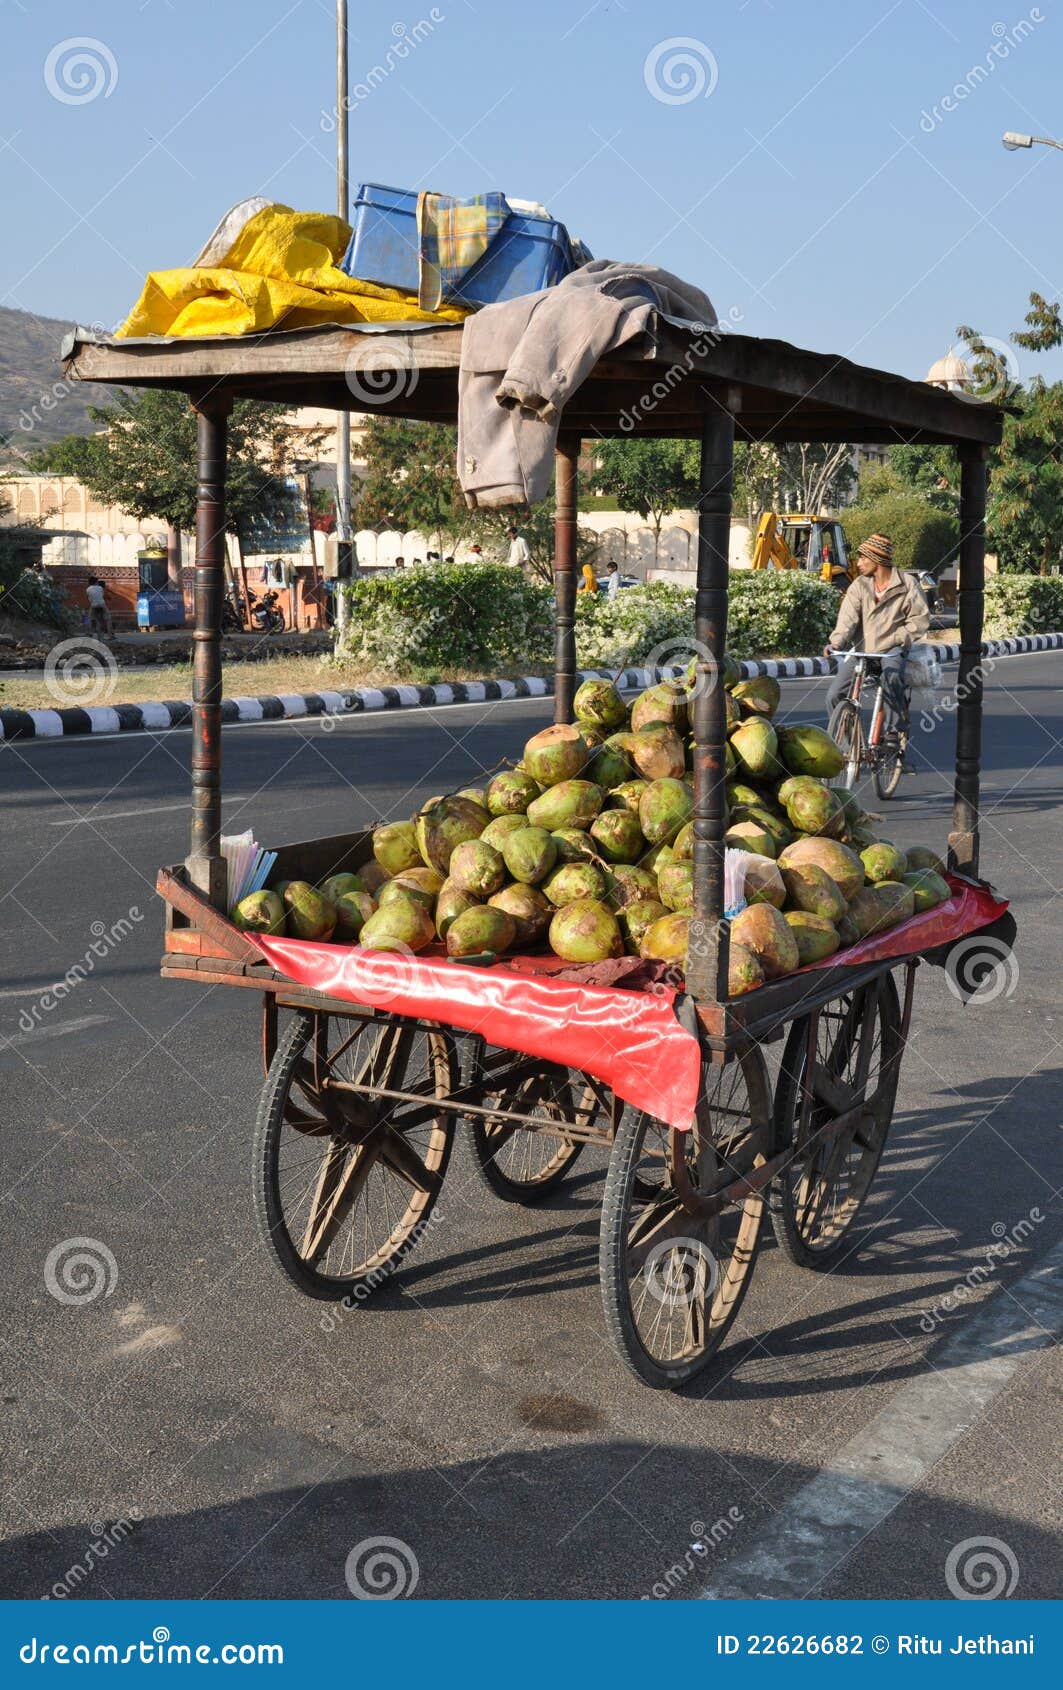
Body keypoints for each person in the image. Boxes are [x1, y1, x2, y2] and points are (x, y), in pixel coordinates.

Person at [825, 533, 930, 733]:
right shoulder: (859, 585)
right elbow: (847, 620)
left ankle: (892, 733)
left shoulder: (907, 584)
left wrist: (897, 639)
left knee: (892, 679)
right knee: (834, 695)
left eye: (864, 558)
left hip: (891, 652)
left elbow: (920, 620)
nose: (859, 563)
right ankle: (846, 746)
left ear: (877, 559)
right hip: (863, 652)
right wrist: (836, 643)